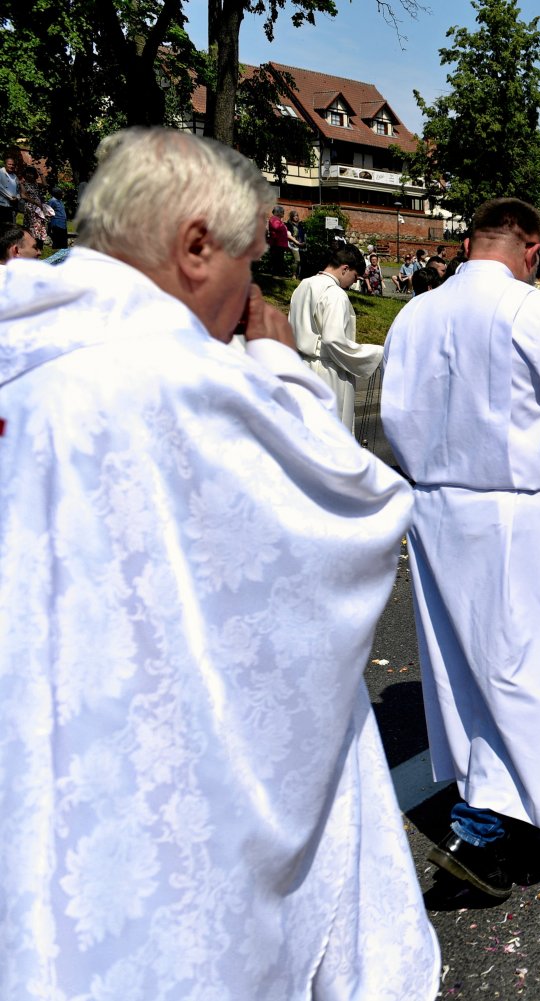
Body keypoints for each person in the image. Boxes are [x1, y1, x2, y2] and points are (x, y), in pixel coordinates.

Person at [0, 125, 437, 999]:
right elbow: (350, 503)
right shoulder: (168, 377)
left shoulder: (25, 337)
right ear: (196, 246)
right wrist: (278, 364)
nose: (248, 294)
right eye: (246, 266)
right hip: (144, 789)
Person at [381, 197, 540, 898]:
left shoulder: (414, 314)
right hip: (514, 512)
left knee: (467, 676)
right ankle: (491, 827)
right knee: (536, 670)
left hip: (435, 510)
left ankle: (499, 808)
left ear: (467, 242)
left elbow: (397, 420)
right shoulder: (533, 310)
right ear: (531, 247)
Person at [288, 242, 384, 430]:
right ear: (345, 268)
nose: (354, 282)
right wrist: (376, 353)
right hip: (327, 372)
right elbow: (333, 340)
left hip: (301, 367)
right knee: (331, 433)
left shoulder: (303, 286)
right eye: (355, 276)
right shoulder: (335, 293)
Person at [266, 204, 292, 276]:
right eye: (282, 212)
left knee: (279, 259)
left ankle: (278, 273)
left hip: (280, 244)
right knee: (276, 260)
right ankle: (276, 274)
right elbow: (276, 227)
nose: (283, 214)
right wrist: (283, 226)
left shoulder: (278, 220)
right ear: (277, 212)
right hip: (276, 243)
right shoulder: (274, 219)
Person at [44, 186, 67, 250]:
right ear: (57, 194)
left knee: (64, 242)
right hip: (57, 223)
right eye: (61, 193)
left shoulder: (60, 201)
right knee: (57, 241)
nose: (62, 194)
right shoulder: (52, 201)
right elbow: (48, 211)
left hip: (63, 223)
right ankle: (56, 253)